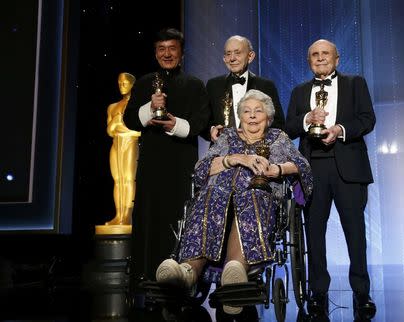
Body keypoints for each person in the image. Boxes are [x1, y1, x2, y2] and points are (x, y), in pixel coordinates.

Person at [155, 89, 313, 315]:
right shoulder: (228, 136)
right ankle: (186, 272)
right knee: (210, 197)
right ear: (240, 116)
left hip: (260, 192)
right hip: (219, 192)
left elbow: (301, 166)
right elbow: (201, 169)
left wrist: (276, 169)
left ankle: (235, 272)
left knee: (251, 198)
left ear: (268, 117)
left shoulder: (278, 137)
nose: (251, 116)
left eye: (258, 111)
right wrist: (234, 159)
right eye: (246, 111)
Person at [285, 39, 377, 319]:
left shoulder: (355, 83)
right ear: (309, 60)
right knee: (314, 235)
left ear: (337, 59)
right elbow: (288, 127)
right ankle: (317, 294)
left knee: (355, 234)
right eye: (314, 54)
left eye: (326, 54)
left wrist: (339, 129)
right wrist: (306, 119)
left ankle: (362, 293)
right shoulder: (300, 91)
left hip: (348, 167)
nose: (320, 58)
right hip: (313, 168)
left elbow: (367, 119)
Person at [123, 28, 210, 283]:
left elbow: (202, 122)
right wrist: (150, 107)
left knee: (178, 216)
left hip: (181, 163)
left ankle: (180, 276)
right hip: (150, 163)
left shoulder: (195, 85)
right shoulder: (143, 83)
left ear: (182, 53)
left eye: (172, 48)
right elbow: (129, 120)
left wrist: (176, 125)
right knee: (149, 216)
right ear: (155, 53)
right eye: (161, 49)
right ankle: (147, 277)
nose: (167, 54)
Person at [207, 35, 285, 141]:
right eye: (228, 54)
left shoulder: (266, 86)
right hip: (222, 151)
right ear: (224, 59)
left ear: (250, 56)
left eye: (237, 53)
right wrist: (212, 129)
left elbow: (278, 123)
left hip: (256, 151)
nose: (232, 58)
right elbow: (205, 121)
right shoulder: (213, 85)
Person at [105, 72, 140, 227]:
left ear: (132, 84)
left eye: (125, 83)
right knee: (117, 181)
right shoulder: (113, 107)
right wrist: (117, 123)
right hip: (116, 144)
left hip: (130, 142)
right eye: (120, 83)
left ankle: (127, 215)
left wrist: (120, 126)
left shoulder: (136, 104)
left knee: (128, 179)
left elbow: (139, 131)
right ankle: (118, 214)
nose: (122, 86)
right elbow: (110, 130)